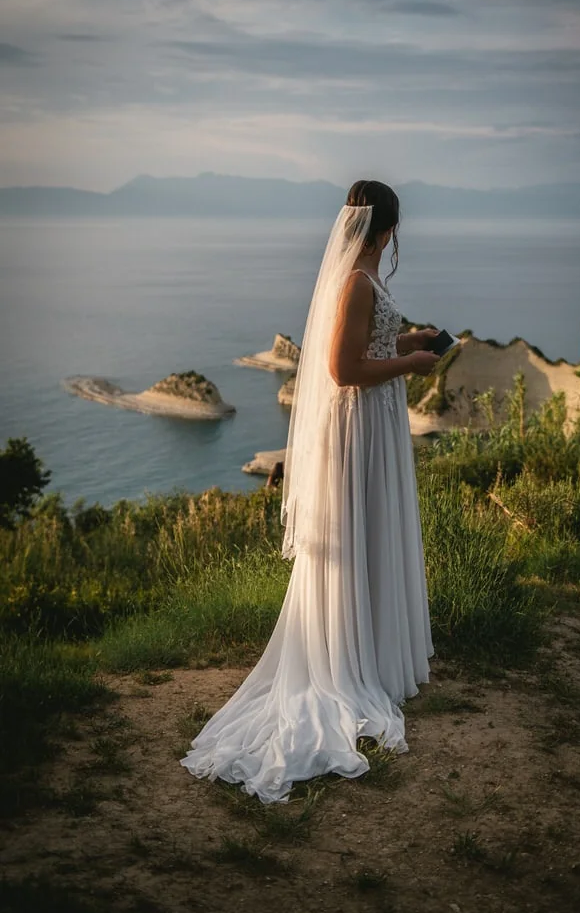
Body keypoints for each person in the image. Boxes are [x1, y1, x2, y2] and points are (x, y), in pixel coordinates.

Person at [180, 179, 442, 804]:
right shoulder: (354, 281)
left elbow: (365, 346)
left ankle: (369, 655)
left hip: (374, 421)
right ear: (389, 231)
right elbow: (342, 370)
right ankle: (349, 664)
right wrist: (410, 366)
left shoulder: (360, 279)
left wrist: (407, 342)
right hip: (362, 423)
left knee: (372, 528)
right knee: (361, 530)